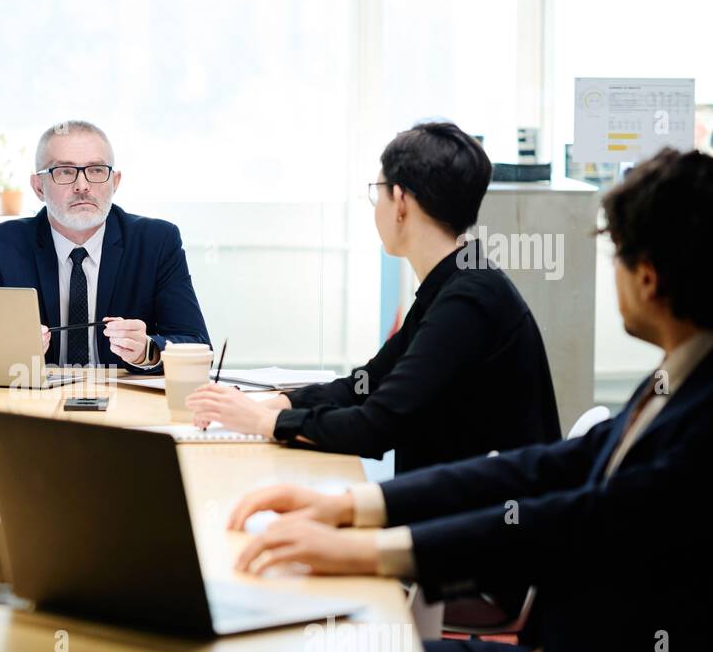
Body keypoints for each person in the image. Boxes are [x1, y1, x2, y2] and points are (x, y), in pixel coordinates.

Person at [218, 148, 713, 652]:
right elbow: (535, 470)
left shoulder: (700, 408)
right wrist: (355, 511)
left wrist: (367, 548)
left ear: (646, 276)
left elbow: (562, 520)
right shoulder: (675, 378)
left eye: (615, 255)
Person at [187, 121, 560, 475]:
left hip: (481, 525)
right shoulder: (456, 281)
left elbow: (376, 426)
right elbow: (365, 384)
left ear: (400, 202)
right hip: (448, 505)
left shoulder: (468, 300)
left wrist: (262, 422)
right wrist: (274, 405)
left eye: (376, 191)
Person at [0, 120, 210, 370]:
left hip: (125, 401)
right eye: (64, 171)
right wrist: (7, 349)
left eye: (96, 170)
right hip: (33, 399)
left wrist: (148, 351)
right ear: (39, 187)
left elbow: (197, 345)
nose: (82, 186)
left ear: (114, 182)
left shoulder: (156, 241)